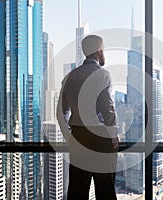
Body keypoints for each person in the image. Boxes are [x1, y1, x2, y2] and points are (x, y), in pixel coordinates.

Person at [57, 35, 119, 200]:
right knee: (105, 191)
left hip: (78, 137)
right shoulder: (103, 74)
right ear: (99, 51)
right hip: (100, 138)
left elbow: (61, 112)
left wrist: (69, 138)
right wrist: (113, 137)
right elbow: (109, 109)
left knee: (77, 191)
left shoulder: (69, 77)